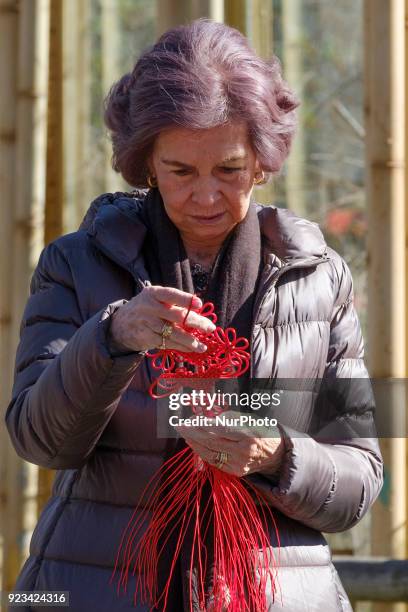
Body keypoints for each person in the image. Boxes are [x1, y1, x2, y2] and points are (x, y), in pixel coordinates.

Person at [6, 18, 383, 612]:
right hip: (94, 591)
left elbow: (357, 483)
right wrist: (111, 338)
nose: (205, 196)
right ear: (146, 164)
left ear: (261, 161)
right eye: (181, 171)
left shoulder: (317, 277)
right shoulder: (75, 266)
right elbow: (39, 439)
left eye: (229, 170)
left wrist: (275, 453)